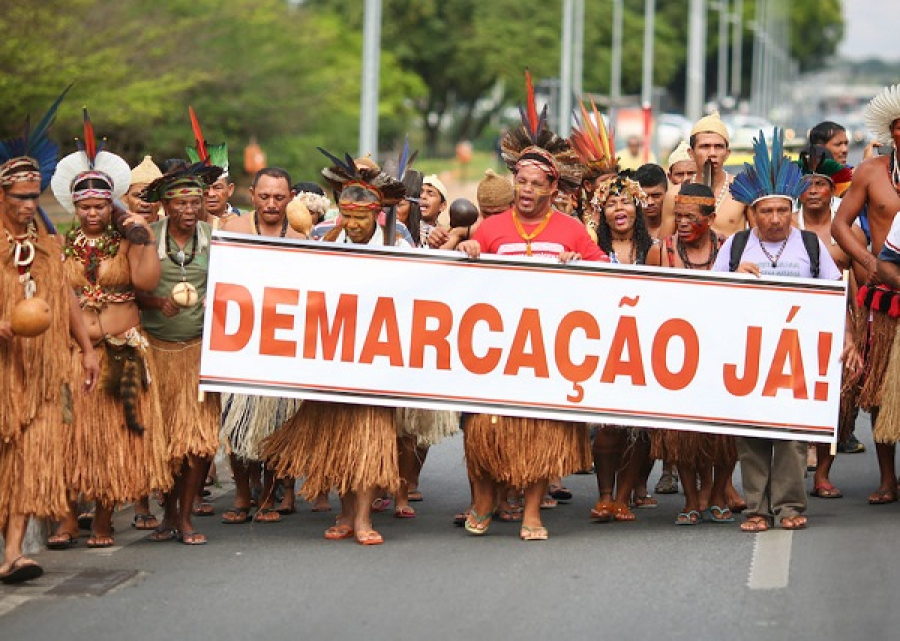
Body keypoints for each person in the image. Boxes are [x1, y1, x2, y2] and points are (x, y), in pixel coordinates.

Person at [456, 79, 604, 540]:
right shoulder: (494, 227)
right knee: (482, 427)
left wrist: (580, 264)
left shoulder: (573, 230)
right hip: (494, 346)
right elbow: (459, 272)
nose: (525, 190)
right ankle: (482, 501)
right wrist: (468, 250)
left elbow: (609, 275)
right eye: (520, 181)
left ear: (552, 188)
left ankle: (533, 513)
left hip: (548, 349)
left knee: (543, 430)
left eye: (536, 184)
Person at [261, 150, 408, 545]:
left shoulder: (400, 246)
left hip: (376, 362)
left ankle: (363, 520)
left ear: (377, 215)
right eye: (350, 218)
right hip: (332, 359)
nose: (355, 226)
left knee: (367, 442)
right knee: (338, 443)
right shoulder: (325, 240)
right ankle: (345, 514)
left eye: (362, 219)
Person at [715, 128, 850, 531]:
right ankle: (757, 508)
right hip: (748, 354)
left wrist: (846, 337)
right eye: (765, 212)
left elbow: (834, 294)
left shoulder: (810, 246)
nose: (774, 219)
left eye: (781, 211)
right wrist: (735, 276)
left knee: (791, 435)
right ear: (752, 213)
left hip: (798, 353)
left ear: (791, 210)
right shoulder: (736, 247)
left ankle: (789, 507)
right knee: (752, 434)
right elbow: (709, 296)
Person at [47, 127, 170, 549]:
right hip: (74, 354)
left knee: (112, 439)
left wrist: (144, 238)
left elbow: (148, 283)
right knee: (69, 436)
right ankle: (65, 519)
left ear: (110, 205)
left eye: (100, 205)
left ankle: (102, 519)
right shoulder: (61, 247)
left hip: (121, 350)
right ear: (74, 206)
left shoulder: (127, 240)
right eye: (84, 206)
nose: (92, 213)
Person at [0, 138, 99, 583]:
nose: (28, 204)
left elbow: (66, 298)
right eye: (21, 197)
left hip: (42, 367)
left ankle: (14, 552)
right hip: (4, 368)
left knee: (31, 455)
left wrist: (88, 349)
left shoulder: (46, 244)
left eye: (33, 196)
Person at [137, 162, 223, 545]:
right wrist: (157, 303)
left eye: (195, 202)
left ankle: (185, 517)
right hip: (157, 352)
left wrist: (216, 301)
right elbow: (127, 289)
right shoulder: (147, 238)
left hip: (199, 354)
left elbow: (236, 287)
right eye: (180, 204)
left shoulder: (215, 237)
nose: (189, 210)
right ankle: (168, 515)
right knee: (165, 441)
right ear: (166, 207)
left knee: (198, 441)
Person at [654, 182, 739, 525]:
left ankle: (717, 494)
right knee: (682, 435)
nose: (683, 223)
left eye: (691, 217)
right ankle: (691, 499)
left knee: (725, 434)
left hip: (722, 353)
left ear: (711, 217)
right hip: (678, 356)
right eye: (678, 216)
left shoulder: (732, 249)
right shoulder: (661, 252)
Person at [832, 84, 900, 504]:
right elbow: (841, 225)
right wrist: (872, 263)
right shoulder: (872, 172)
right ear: (893, 133)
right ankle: (887, 478)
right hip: (884, 295)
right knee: (878, 389)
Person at [588, 174, 661, 522]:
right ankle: (604, 495)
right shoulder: (592, 250)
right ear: (601, 213)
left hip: (646, 345)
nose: (619, 208)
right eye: (611, 203)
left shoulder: (656, 249)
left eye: (625, 201)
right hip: (603, 345)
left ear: (637, 207)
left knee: (641, 428)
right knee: (607, 428)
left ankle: (623, 496)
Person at [688, 111, 747, 236]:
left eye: (719, 147)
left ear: (727, 153)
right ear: (691, 153)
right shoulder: (676, 194)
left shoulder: (743, 190)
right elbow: (665, 247)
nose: (712, 153)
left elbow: (759, 242)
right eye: (705, 146)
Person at [634, 163, 673, 240]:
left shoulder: (679, 229)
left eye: (656, 196)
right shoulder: (628, 230)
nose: (650, 202)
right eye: (644, 197)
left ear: (666, 193)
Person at [123, 156, 164, 223]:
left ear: (161, 202)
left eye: (152, 197)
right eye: (137, 196)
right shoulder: (116, 228)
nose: (144, 204)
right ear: (125, 198)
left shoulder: (172, 229)